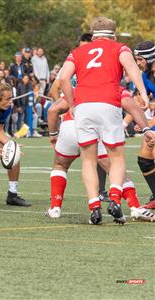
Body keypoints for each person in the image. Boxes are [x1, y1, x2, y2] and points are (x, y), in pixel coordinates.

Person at [59, 16, 153, 224]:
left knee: (88, 160)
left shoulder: (77, 52)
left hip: (83, 106)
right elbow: (132, 70)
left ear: (93, 35)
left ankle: (94, 208)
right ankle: (115, 201)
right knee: (116, 157)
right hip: (108, 102)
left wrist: (73, 104)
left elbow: (63, 78)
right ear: (114, 34)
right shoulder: (120, 48)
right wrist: (143, 94)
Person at [47, 92, 154, 222]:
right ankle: (135, 207)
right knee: (115, 167)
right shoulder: (112, 85)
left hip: (70, 127)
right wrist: (146, 128)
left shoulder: (80, 87)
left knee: (60, 165)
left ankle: (55, 208)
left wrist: (53, 135)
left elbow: (53, 109)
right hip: (95, 129)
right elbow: (132, 107)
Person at [133, 41, 155, 209]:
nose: (138, 63)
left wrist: (148, 123)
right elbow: (136, 100)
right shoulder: (144, 76)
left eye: (140, 59)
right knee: (144, 160)